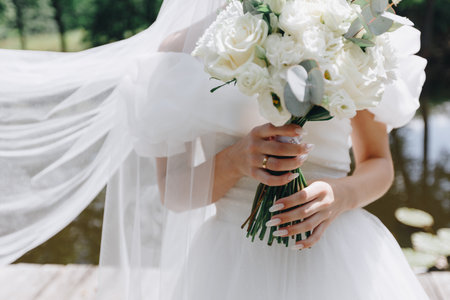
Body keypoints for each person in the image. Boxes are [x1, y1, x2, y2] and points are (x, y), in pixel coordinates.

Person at [0, 0, 429, 299]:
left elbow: (378, 164)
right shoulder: (178, 54)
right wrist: (235, 159)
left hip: (340, 254)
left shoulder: (350, 32)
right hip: (232, 257)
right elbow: (174, 193)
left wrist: (343, 196)